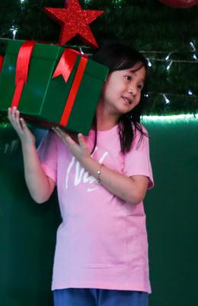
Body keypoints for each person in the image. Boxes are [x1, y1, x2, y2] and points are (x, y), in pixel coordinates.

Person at [8, 42, 154, 306]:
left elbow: (135, 192)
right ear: (101, 77)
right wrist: (28, 144)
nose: (134, 90)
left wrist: (86, 161)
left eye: (140, 85)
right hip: (73, 271)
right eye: (128, 78)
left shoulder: (135, 135)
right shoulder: (62, 134)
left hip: (124, 274)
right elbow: (41, 193)